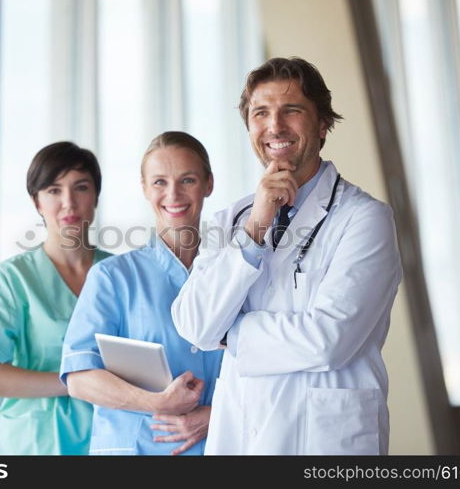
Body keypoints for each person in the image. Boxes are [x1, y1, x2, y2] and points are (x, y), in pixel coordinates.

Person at [171, 57, 403, 455]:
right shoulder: (233, 220)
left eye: (291, 111)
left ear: (323, 123)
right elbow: (194, 324)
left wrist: (231, 331)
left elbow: (329, 340)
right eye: (261, 113)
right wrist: (255, 229)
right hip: (242, 433)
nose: (274, 126)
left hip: (325, 441)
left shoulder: (365, 219)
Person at [60, 131, 223, 455]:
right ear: (145, 188)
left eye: (187, 180)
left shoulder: (232, 276)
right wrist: (157, 403)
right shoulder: (112, 278)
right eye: (160, 182)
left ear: (208, 184)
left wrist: (217, 415)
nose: (173, 194)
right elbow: (79, 378)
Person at [0, 142, 111, 455]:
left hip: (111, 435)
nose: (68, 203)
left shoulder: (119, 274)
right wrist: (76, 383)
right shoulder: (12, 279)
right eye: (54, 191)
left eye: (80, 188)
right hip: (38, 444)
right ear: (37, 202)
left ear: (95, 195)